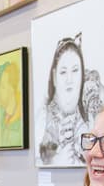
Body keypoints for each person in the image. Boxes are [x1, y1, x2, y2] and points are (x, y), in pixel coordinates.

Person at [38, 34, 91, 165]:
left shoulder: (90, 115)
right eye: (63, 72)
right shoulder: (43, 118)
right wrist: (55, 161)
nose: (69, 80)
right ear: (55, 77)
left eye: (75, 70)